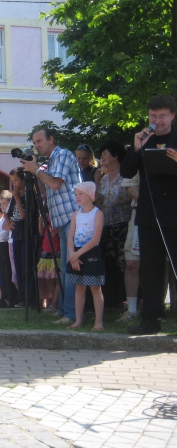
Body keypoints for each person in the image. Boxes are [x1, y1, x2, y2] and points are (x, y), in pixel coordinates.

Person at [121, 94, 177, 335]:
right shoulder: (145, 139)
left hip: (174, 212)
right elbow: (126, 172)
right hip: (150, 213)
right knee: (151, 269)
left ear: (172, 115)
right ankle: (150, 319)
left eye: (162, 116)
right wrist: (136, 149)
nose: (158, 120)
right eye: (153, 116)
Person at [22, 127, 83, 324]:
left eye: (39, 141)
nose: (36, 146)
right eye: (34, 143)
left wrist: (36, 170)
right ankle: (66, 310)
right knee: (65, 267)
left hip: (73, 218)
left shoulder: (63, 154)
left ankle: (71, 313)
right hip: (63, 220)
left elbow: (56, 184)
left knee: (70, 267)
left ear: (51, 140)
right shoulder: (51, 161)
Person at [97, 141, 132, 309]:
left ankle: (128, 300)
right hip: (105, 227)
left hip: (123, 226)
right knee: (108, 264)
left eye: (106, 153)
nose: (102, 156)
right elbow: (98, 203)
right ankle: (111, 301)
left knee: (124, 264)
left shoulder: (126, 176)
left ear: (116, 156)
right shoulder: (103, 180)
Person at [66, 182, 106, 330]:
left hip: (90, 253)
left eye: (80, 194)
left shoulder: (97, 213)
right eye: (76, 194)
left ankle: (99, 322)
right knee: (79, 287)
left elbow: (96, 238)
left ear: (90, 195)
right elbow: (70, 236)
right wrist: (72, 254)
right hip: (76, 253)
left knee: (95, 288)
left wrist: (77, 254)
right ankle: (78, 320)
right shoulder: (75, 215)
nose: (77, 197)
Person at [6, 167, 39, 308]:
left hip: (27, 234)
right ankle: (22, 298)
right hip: (16, 234)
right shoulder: (15, 195)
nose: (14, 183)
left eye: (16, 180)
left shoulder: (29, 194)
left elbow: (25, 215)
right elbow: (7, 214)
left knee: (27, 267)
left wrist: (18, 199)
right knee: (18, 268)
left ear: (23, 179)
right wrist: (9, 223)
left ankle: (31, 299)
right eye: (12, 180)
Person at [119, 173, 140, 322]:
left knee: (156, 263)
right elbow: (128, 182)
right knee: (132, 263)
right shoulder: (137, 153)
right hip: (140, 211)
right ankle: (132, 310)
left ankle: (155, 309)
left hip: (164, 211)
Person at [0, 190, 17, 308]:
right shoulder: (2, 218)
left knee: (8, 273)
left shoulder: (10, 217)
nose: (2, 206)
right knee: (2, 274)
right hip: (0, 246)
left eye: (5, 204)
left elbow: (2, 234)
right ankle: (4, 297)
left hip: (5, 245)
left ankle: (10, 298)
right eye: (1, 204)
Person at [37, 210, 61, 311]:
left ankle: (56, 303)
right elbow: (41, 232)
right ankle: (53, 302)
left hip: (56, 250)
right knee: (48, 278)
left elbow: (57, 232)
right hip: (46, 249)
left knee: (57, 278)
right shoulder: (46, 216)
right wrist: (40, 221)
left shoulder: (59, 216)